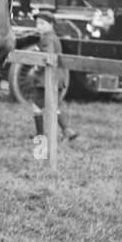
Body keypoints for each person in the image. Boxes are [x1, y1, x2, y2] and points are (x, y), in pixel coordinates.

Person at [30, 11, 76, 143]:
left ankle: (43, 135)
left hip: (48, 79)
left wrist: (37, 62)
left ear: (51, 24)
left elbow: (48, 57)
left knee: (42, 106)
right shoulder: (51, 37)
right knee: (51, 106)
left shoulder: (48, 39)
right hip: (51, 79)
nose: (39, 26)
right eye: (37, 23)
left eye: (42, 23)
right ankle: (67, 131)